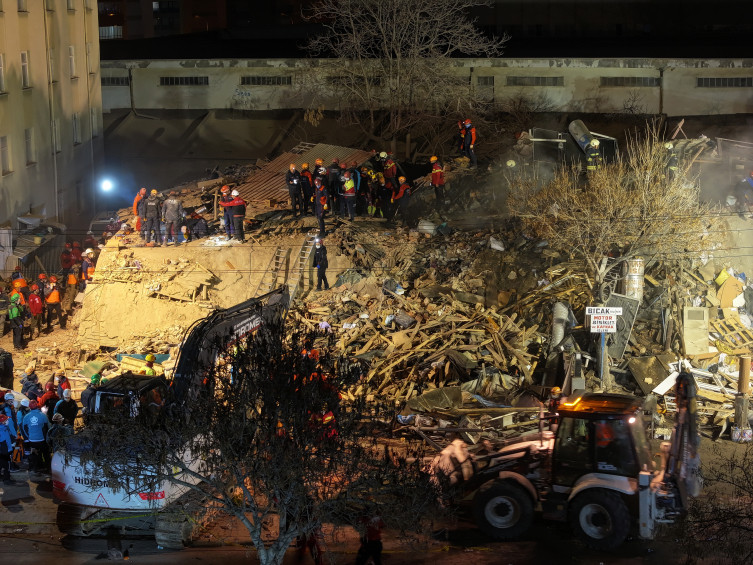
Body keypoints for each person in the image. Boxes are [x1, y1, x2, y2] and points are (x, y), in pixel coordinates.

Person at [22, 400, 50, 473]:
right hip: (42, 439)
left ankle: (36, 467)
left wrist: (29, 436)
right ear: (37, 406)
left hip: (32, 440)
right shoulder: (43, 415)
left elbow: (24, 428)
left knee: (35, 454)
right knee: (45, 453)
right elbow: (47, 427)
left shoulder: (26, 417)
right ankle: (47, 467)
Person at [0, 414, 13, 484]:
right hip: (5, 451)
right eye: (6, 420)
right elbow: (3, 442)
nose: (8, 421)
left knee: (2, 464)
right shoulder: (2, 430)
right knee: (6, 465)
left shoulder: (4, 428)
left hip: (3, 451)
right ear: (2, 422)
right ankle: (7, 479)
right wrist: (7, 452)